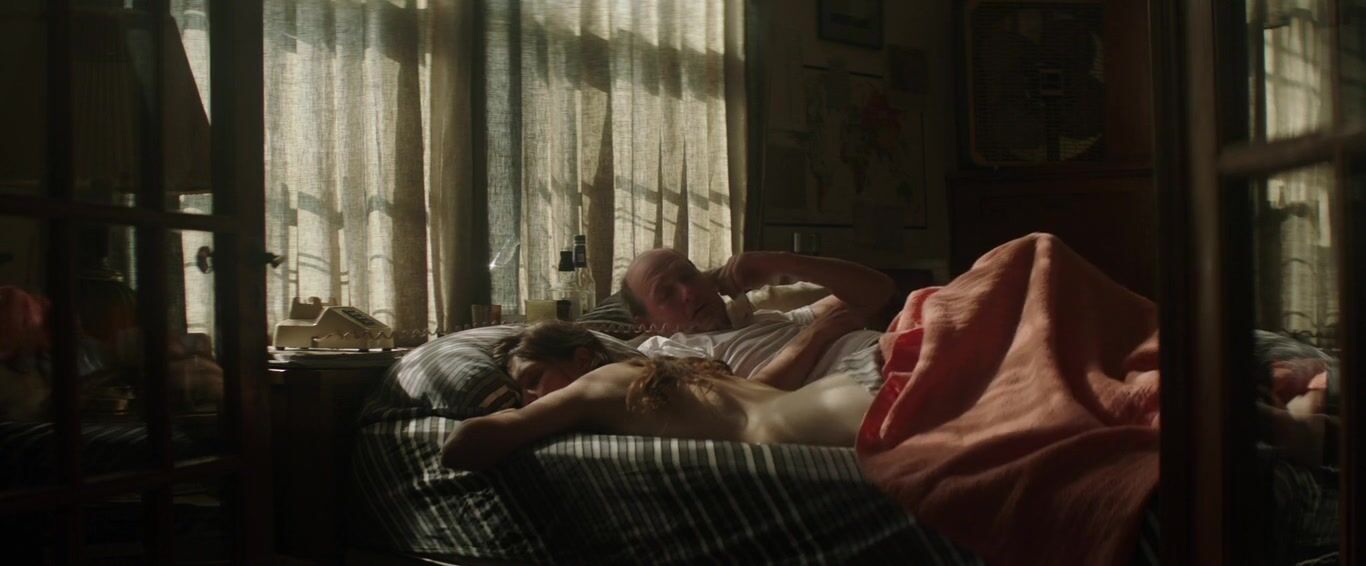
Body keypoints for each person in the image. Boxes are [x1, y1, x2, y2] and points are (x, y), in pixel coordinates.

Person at [440, 321, 881, 472]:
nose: (531, 396)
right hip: (845, 388)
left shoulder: (591, 387)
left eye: (535, 378)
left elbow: (463, 446)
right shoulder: (670, 369)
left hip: (829, 409)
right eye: (523, 391)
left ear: (581, 358)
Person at [620, 249, 895, 391]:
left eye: (689, 276)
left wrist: (781, 263)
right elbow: (740, 406)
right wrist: (815, 336)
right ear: (646, 324)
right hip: (874, 377)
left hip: (893, 351)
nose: (688, 291)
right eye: (666, 293)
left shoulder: (764, 319)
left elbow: (878, 291)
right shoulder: (665, 352)